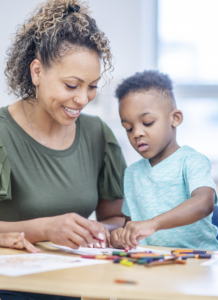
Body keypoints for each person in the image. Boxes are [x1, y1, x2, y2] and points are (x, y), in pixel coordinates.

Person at [0, 0, 126, 298]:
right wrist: (45, 228)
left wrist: (95, 231)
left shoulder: (98, 135)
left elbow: (116, 218)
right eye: (72, 85)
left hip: (75, 287)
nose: (83, 99)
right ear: (37, 72)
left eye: (92, 86)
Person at [110, 70, 218, 251]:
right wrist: (120, 237)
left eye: (147, 122)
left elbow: (204, 203)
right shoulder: (132, 173)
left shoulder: (191, 161)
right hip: (151, 261)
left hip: (198, 262)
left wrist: (153, 224)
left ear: (175, 119)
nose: (137, 133)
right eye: (128, 128)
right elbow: (131, 227)